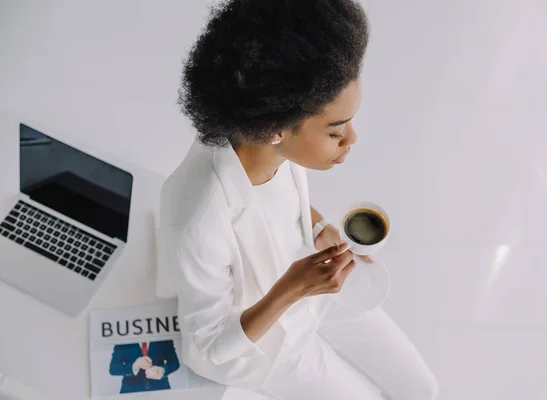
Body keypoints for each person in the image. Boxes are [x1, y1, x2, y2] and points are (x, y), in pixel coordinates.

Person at [158, 0, 438, 398]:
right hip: (275, 339)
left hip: (318, 295)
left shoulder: (269, 140)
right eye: (335, 131)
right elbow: (205, 351)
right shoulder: (197, 219)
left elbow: (277, 201)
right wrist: (293, 287)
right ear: (276, 127)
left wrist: (319, 225)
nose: (351, 140)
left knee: (423, 388)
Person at [108, 340, 180, 393]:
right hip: (131, 392)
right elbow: (113, 368)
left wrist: (162, 371)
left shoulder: (163, 336)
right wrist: (134, 366)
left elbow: (174, 363)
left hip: (160, 390)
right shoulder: (124, 338)